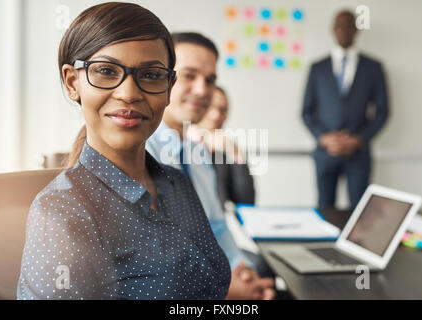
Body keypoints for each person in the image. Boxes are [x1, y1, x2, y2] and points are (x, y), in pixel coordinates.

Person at [17, 2, 231, 300]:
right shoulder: (62, 212)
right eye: (105, 71)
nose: (129, 93)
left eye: (152, 75)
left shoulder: (177, 183)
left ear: (168, 88)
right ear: (72, 83)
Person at [146, 32, 276, 300]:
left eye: (211, 80)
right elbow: (149, 256)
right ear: (160, 76)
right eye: (189, 75)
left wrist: (242, 268)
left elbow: (217, 227)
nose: (203, 90)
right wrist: (222, 290)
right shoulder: (139, 150)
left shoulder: (199, 154)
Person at [302, 10, 389, 209]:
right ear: (333, 30)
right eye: (340, 26)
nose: (344, 30)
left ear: (356, 29)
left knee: (360, 211)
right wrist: (325, 138)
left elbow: (383, 111)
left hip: (358, 154)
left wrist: (358, 139)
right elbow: (306, 112)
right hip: (326, 153)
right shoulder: (318, 68)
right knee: (325, 208)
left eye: (349, 25)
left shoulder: (373, 67)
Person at [193, 86, 255, 207]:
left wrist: (236, 154)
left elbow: (247, 201)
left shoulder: (224, 154)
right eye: (211, 107)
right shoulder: (177, 145)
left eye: (223, 110)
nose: (216, 115)